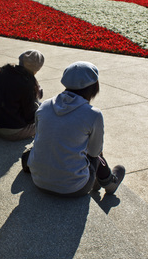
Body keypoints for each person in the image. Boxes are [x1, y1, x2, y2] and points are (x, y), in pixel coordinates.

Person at [22, 61, 125, 196]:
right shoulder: (93, 114)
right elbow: (94, 153)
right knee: (97, 155)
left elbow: (39, 136)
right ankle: (109, 182)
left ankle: (100, 180)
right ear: (94, 87)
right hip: (74, 188)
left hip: (39, 181)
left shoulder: (44, 105)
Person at [0, 50, 44, 141]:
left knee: (39, 104)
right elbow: (30, 117)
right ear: (37, 68)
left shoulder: (2, 71)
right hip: (13, 131)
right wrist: (35, 95)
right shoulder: (28, 83)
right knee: (47, 117)